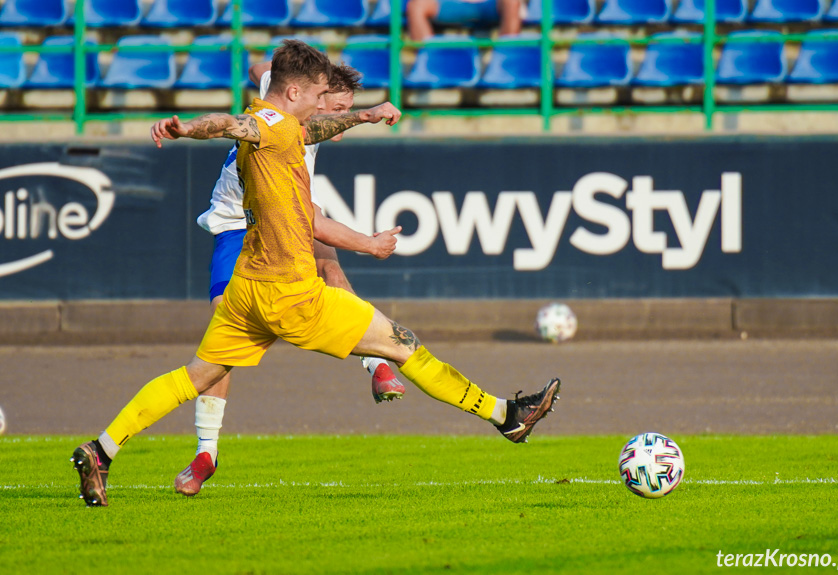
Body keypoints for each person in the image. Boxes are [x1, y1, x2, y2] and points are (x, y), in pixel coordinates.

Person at [72, 39, 560, 507]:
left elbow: (307, 130)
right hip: (293, 296)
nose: (322, 105)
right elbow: (229, 124)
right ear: (293, 92)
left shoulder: (286, 126)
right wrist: (186, 129)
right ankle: (505, 415)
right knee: (402, 342)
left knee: (194, 375)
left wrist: (364, 117)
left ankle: (103, 448)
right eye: (317, 95)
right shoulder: (265, 124)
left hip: (248, 291)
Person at [174, 61, 407, 497]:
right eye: (335, 112)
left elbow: (262, 68)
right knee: (223, 326)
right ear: (309, 98)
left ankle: (376, 366)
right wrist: (370, 243)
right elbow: (314, 220)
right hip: (237, 222)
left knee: (330, 267)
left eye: (346, 113)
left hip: (285, 214)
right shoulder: (282, 124)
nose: (339, 127)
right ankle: (207, 450)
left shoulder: (300, 112)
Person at [407, 0, 523, 42]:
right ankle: (425, 59)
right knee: (416, 5)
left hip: (490, 5)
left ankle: (507, 56)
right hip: (450, 4)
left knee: (512, 2)